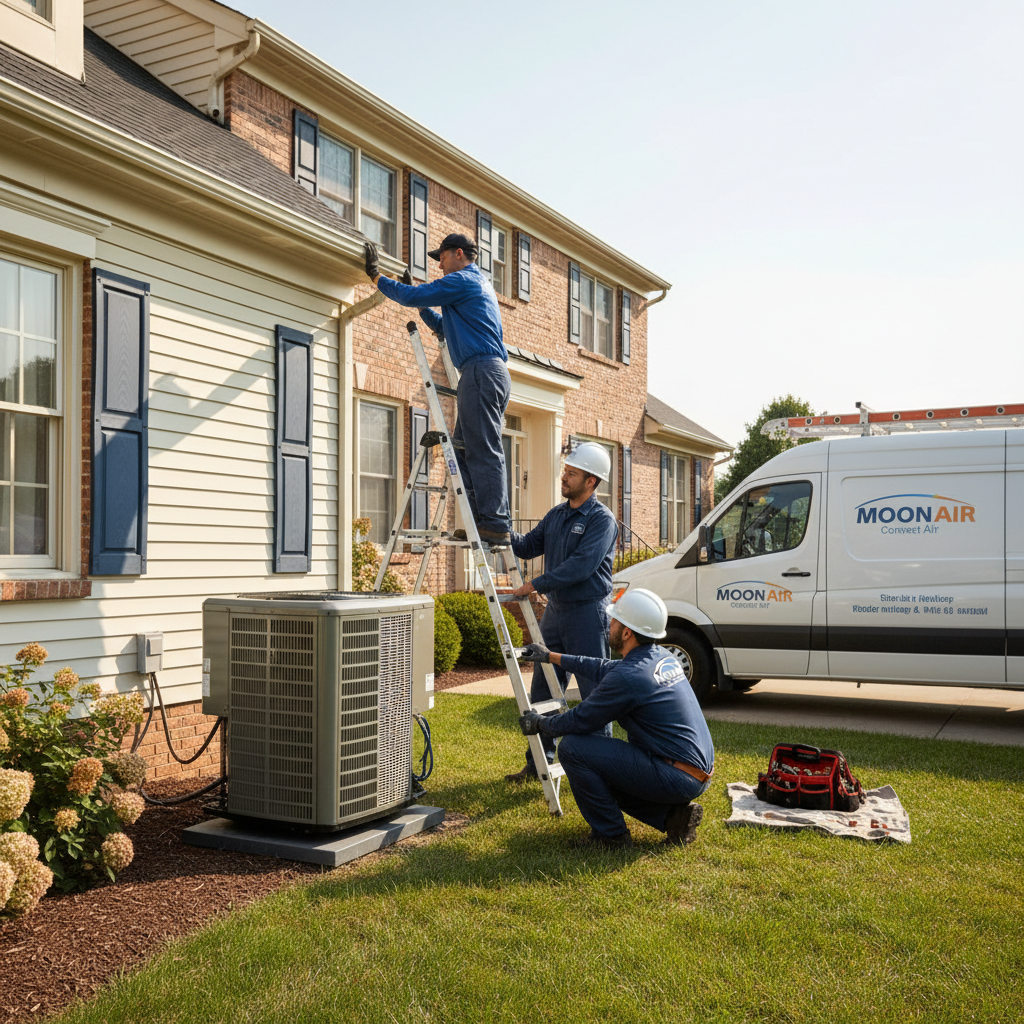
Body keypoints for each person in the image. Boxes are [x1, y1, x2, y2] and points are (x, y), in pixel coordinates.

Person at [518, 588, 715, 848]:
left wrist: (542, 724)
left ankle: (611, 836)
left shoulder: (629, 678)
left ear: (626, 633)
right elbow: (602, 667)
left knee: (575, 750)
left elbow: (582, 719)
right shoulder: (659, 656)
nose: (607, 624)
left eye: (613, 621)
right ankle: (672, 818)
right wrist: (550, 656)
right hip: (695, 771)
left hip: (677, 775)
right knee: (601, 764)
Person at [365, 236, 511, 543]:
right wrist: (420, 307)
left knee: (482, 448)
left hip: (481, 372)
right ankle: (479, 523)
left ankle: (495, 523)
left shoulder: (464, 280)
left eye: (441, 258)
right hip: (482, 372)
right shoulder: (472, 289)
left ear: (459, 254)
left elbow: (415, 295)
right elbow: (443, 327)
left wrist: (378, 278)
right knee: (463, 451)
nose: (439, 265)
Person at [503, 442, 619, 783]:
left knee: (594, 694)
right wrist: (498, 528)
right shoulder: (557, 514)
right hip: (555, 613)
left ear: (592, 481)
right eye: (565, 471)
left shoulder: (601, 521)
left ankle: (601, 769)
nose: (564, 477)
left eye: (572, 473)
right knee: (544, 691)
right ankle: (539, 763)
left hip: (587, 614)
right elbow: (526, 546)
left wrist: (536, 583)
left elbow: (581, 567)